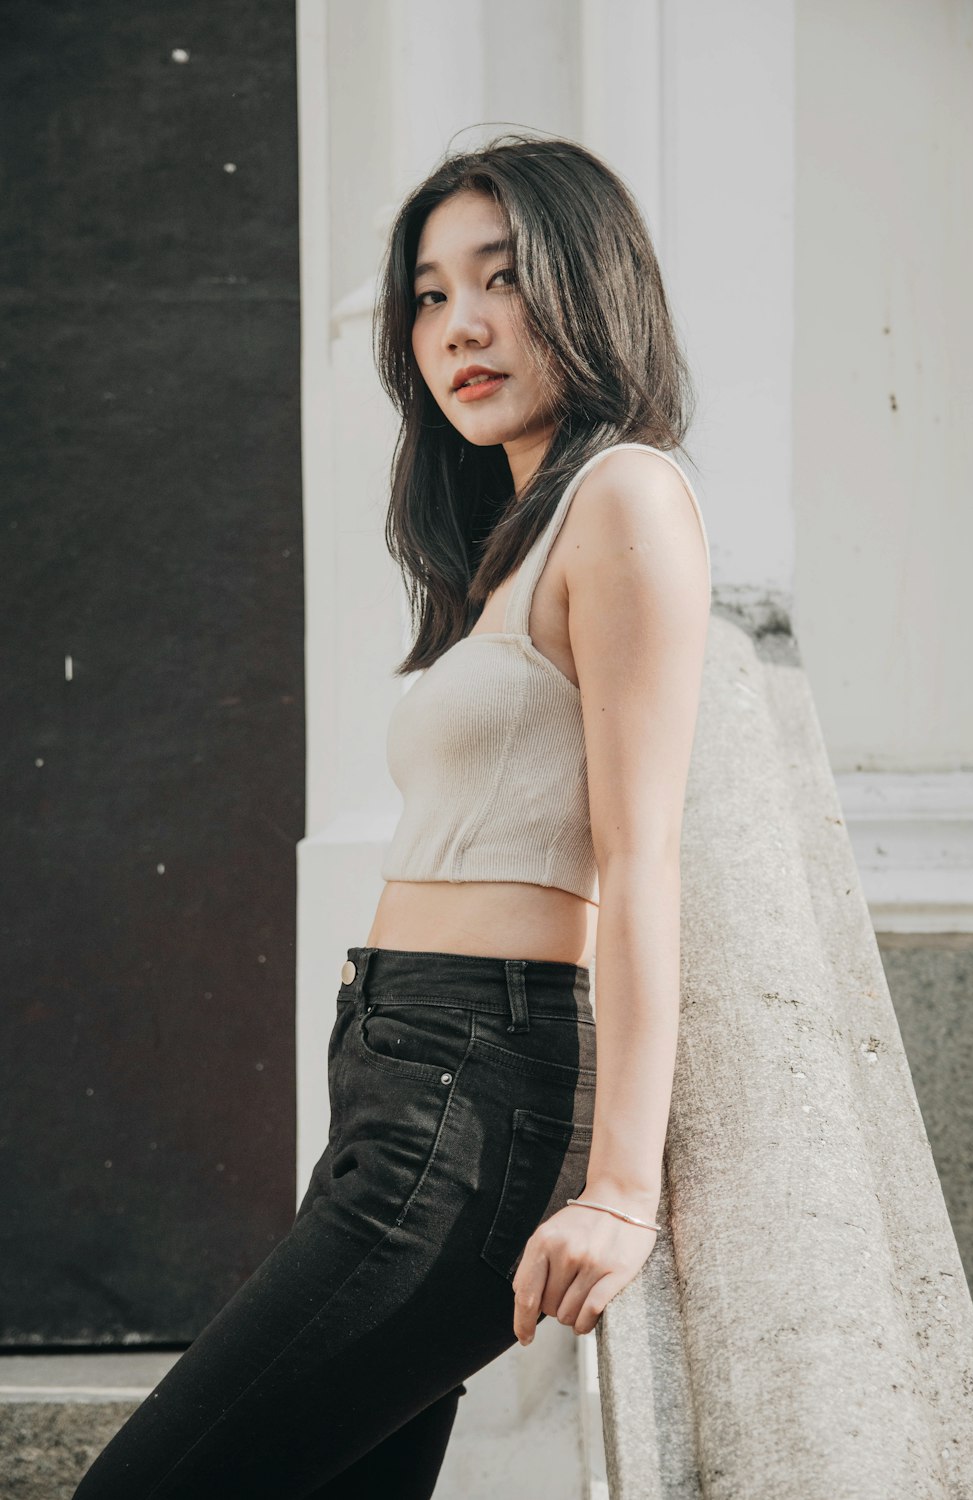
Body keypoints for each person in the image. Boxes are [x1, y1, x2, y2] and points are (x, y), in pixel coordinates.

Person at [73, 131, 712, 1499]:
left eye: (500, 277)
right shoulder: (511, 537)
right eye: (428, 294)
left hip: (479, 1086)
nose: (457, 326)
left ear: (593, 286)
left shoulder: (627, 497)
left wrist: (623, 1190)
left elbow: (645, 853)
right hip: (398, 1059)